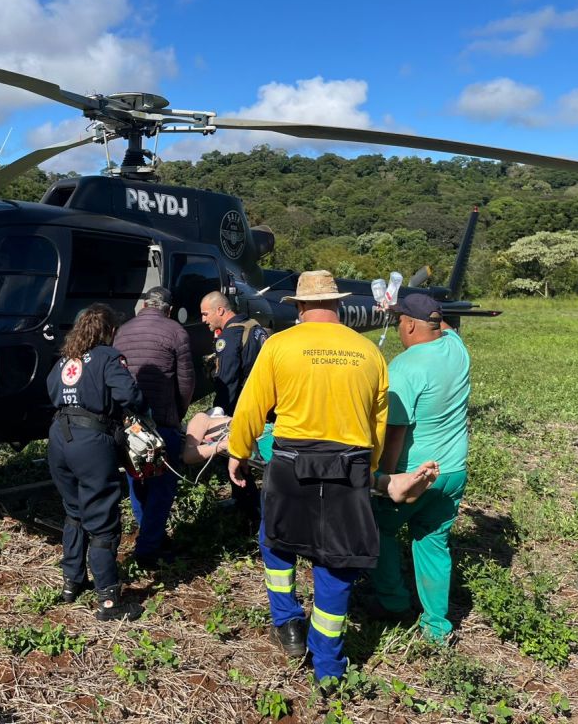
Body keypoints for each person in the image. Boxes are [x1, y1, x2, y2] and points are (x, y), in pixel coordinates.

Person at [226, 270, 440, 684]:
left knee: (275, 542)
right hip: (350, 465)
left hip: (291, 463)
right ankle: (328, 668)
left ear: (301, 307)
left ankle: (288, 623)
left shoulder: (279, 345)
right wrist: (372, 469)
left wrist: (238, 451)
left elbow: (251, 405)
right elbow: (378, 421)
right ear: (338, 305)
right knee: (337, 562)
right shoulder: (368, 353)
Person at [369, 294, 471, 644]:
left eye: (399, 320)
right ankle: (436, 627)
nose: (398, 327)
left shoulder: (405, 368)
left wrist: (383, 479)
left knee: (378, 531)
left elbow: (395, 432)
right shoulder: (457, 347)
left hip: (414, 475)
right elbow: (441, 324)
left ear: (410, 325)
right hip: (453, 471)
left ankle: (394, 603)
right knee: (433, 541)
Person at [47, 303, 146, 621]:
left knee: (74, 512)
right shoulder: (107, 357)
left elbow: (51, 391)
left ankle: (71, 583)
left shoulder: (66, 359)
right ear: (110, 331)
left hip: (59, 438)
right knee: (103, 519)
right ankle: (108, 601)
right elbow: (129, 395)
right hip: (90, 441)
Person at [112, 286, 195, 565]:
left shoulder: (122, 331)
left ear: (144, 305)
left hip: (129, 424)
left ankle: (149, 532)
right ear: (168, 310)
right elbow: (185, 382)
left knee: (137, 478)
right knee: (162, 487)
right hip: (161, 422)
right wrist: (177, 415)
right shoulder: (176, 332)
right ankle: (148, 549)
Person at [199, 291, 268, 415]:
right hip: (264, 400)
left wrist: (219, 413)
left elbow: (228, 381)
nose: (203, 319)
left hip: (244, 406)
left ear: (220, 310)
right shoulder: (254, 326)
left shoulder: (229, 337)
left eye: (205, 314)